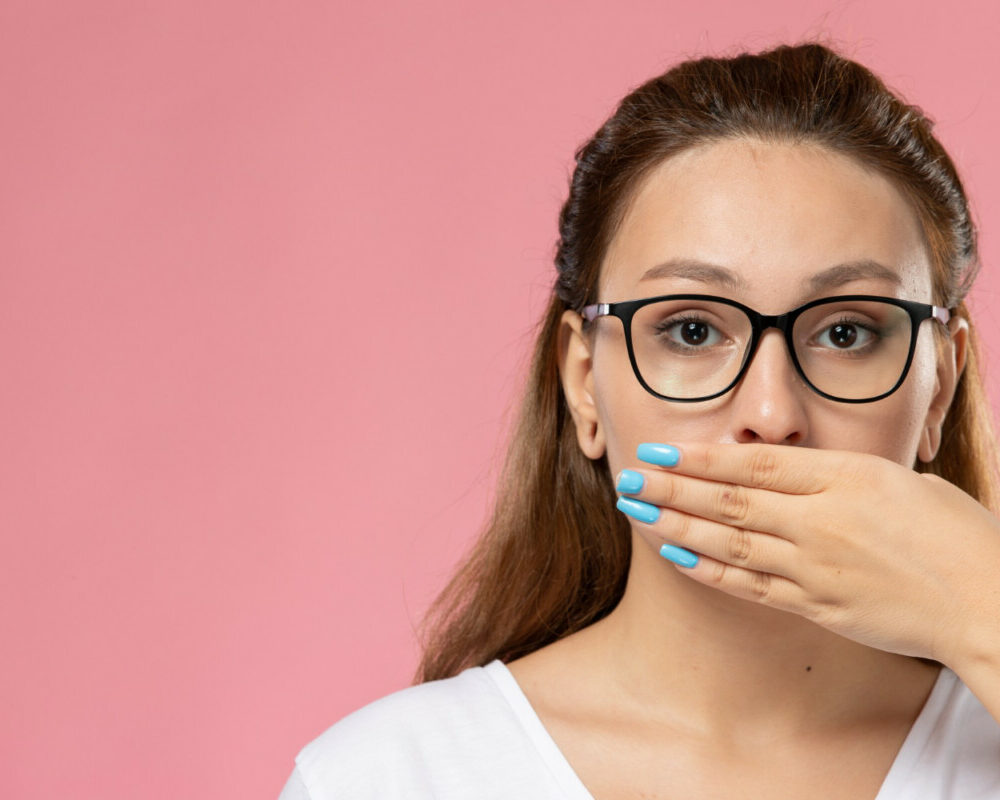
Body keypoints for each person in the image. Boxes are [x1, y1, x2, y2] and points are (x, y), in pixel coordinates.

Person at [279, 43, 1000, 799]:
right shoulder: (384, 778)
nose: (771, 415)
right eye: (691, 330)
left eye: (846, 333)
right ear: (584, 384)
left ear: (940, 389)